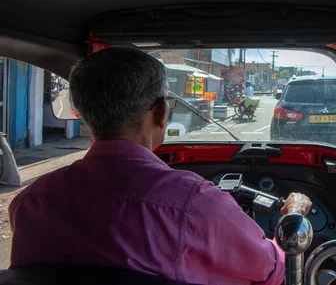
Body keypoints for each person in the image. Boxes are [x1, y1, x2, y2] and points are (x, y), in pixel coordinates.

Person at [9, 48, 311, 285]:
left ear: (80, 112)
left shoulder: (31, 202)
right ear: (161, 112)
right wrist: (293, 215)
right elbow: (273, 269)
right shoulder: (193, 203)